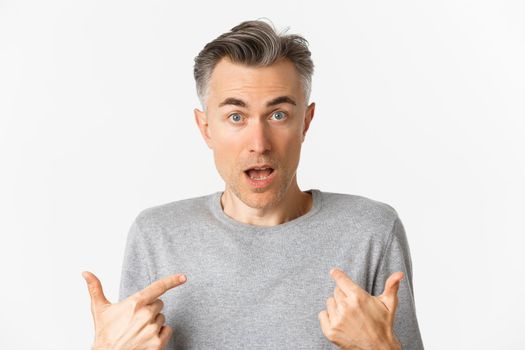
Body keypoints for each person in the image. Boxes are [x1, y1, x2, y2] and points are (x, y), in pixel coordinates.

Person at [82, 19, 424, 350]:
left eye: (278, 115)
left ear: (305, 122)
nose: (259, 143)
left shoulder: (371, 231)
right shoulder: (156, 235)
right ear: (206, 129)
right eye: (236, 117)